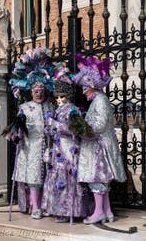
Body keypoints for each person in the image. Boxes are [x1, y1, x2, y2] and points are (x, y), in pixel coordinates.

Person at [73, 55, 127, 224]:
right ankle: (107, 211)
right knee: (102, 181)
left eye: (85, 88)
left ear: (91, 87)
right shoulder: (99, 100)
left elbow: (101, 124)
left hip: (99, 147)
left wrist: (84, 127)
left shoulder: (100, 100)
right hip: (99, 145)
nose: (84, 92)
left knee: (97, 180)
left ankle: (98, 213)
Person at [2, 47, 55, 220]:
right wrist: (16, 135)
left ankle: (47, 205)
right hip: (31, 146)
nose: (39, 93)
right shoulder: (24, 108)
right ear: (31, 91)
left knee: (48, 176)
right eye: (35, 91)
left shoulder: (50, 106)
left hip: (48, 145)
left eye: (41, 90)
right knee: (34, 177)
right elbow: (15, 129)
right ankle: (36, 207)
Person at [41, 71, 95, 223]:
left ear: (68, 96)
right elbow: (55, 130)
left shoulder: (73, 110)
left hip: (69, 148)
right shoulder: (57, 110)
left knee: (69, 177)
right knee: (57, 177)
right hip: (58, 149)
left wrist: (55, 124)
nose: (59, 100)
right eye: (57, 96)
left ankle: (71, 210)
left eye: (62, 96)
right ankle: (59, 210)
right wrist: (50, 129)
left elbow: (74, 130)